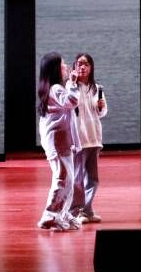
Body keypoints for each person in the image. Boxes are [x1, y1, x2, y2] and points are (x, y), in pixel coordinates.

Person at [37, 52, 81, 231]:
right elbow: (72, 101)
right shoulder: (56, 88)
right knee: (62, 178)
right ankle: (50, 215)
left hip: (61, 141)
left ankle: (61, 212)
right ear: (56, 69)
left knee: (68, 179)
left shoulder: (54, 88)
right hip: (57, 141)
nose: (66, 67)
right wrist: (73, 83)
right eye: (63, 65)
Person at [68, 52, 107, 224]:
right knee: (78, 179)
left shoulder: (96, 88)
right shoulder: (70, 86)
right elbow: (69, 106)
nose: (82, 67)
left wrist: (101, 107)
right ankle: (76, 211)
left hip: (93, 137)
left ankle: (87, 210)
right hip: (78, 139)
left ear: (91, 68)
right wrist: (72, 83)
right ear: (74, 67)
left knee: (93, 178)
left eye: (86, 64)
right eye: (79, 64)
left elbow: (102, 113)